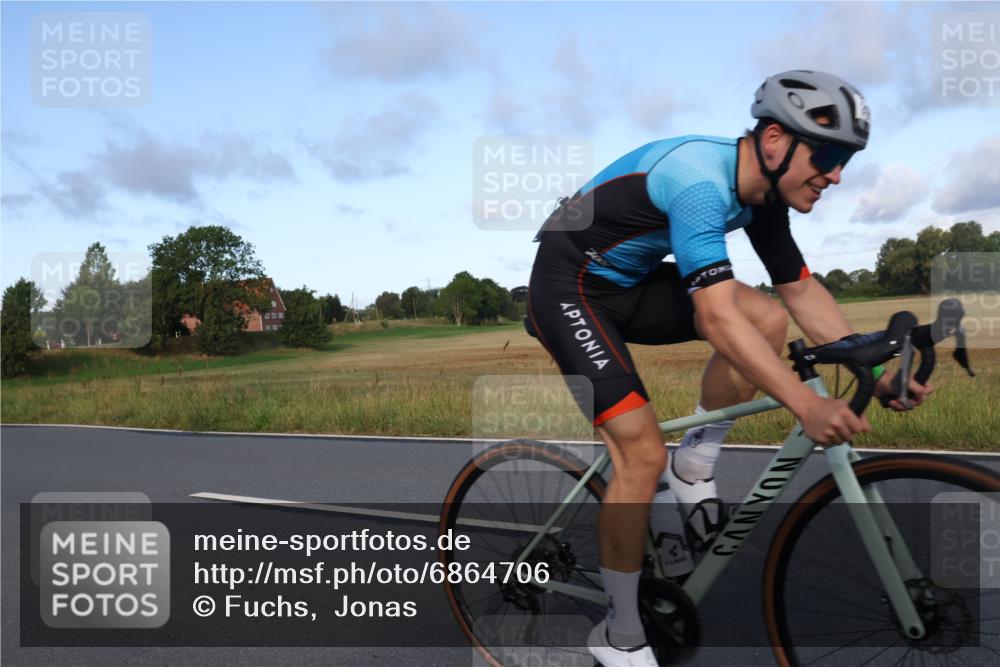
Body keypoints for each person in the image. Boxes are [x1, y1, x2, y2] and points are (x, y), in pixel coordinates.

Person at [524, 70, 933, 666]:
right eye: (828, 153)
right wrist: (804, 402)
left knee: (765, 317)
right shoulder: (698, 181)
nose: (838, 174)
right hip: (568, 289)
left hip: (631, 284)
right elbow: (715, 318)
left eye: (846, 157)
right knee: (639, 455)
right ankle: (618, 635)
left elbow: (798, 290)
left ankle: (694, 465)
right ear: (774, 140)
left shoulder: (762, 196)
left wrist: (870, 360)